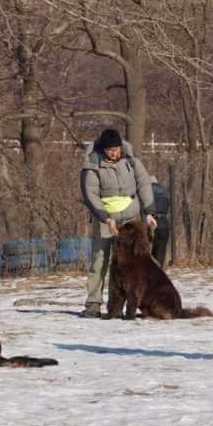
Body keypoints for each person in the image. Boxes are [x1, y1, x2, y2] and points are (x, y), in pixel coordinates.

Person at [80, 128, 156, 318]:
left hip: (132, 218)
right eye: (110, 150)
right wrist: (106, 218)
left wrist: (149, 211)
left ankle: (149, 301)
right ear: (103, 150)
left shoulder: (131, 160)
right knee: (100, 260)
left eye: (116, 149)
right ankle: (93, 304)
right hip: (106, 219)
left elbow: (144, 183)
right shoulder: (93, 166)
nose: (114, 153)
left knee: (142, 260)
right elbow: (91, 195)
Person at [149, 175, 171, 269]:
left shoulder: (146, 191)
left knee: (145, 257)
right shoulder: (165, 190)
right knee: (159, 257)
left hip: (150, 224)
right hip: (164, 224)